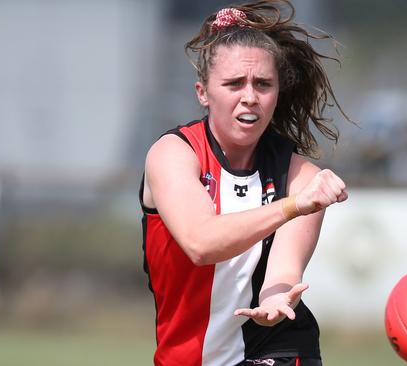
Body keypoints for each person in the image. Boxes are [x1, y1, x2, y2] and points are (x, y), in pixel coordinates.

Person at [139, 1, 351, 365]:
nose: (250, 96)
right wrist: (290, 207)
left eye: (263, 84)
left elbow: (284, 272)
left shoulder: (301, 179)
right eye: (234, 83)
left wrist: (275, 300)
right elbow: (200, 242)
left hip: (276, 348)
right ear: (203, 93)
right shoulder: (173, 154)